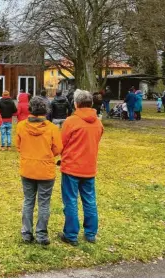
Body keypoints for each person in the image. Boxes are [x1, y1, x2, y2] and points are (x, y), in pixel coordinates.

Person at [16, 96, 63, 245]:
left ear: (30, 109)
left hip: (28, 168)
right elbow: (58, 148)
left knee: (28, 201)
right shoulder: (52, 128)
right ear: (46, 110)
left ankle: (26, 233)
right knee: (44, 203)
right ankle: (41, 234)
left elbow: (19, 146)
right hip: (45, 170)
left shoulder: (21, 126)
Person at [59, 89, 103, 246]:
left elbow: (60, 144)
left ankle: (71, 234)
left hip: (71, 167)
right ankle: (90, 233)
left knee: (70, 201)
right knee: (90, 200)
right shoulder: (98, 122)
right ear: (91, 103)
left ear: (76, 104)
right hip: (89, 167)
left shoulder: (71, 121)